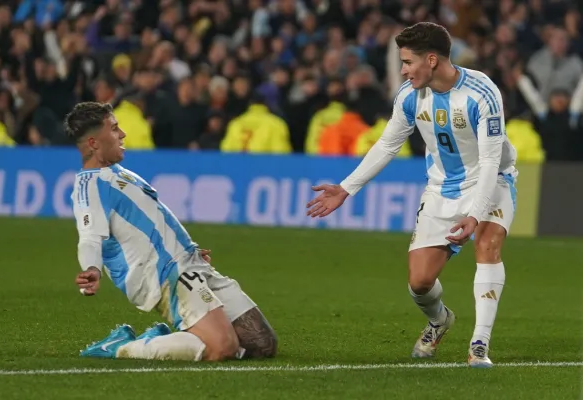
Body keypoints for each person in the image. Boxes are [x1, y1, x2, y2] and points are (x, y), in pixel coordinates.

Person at [306, 22, 517, 368]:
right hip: (441, 188)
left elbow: (492, 159)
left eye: (407, 62)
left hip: (491, 180)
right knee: (420, 282)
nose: (403, 70)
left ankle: (479, 345)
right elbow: (389, 144)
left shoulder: (482, 92)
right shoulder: (409, 96)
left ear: (431, 60)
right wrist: (346, 188)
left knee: (488, 245)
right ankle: (440, 321)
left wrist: (476, 215)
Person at [66, 102, 277, 362]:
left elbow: (151, 220)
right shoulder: (89, 186)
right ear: (93, 143)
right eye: (114, 128)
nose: (122, 134)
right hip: (163, 274)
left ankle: (170, 340)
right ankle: (121, 347)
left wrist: (186, 248)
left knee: (262, 344)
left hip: (189, 262)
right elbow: (89, 236)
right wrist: (92, 268)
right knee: (222, 348)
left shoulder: (118, 173)